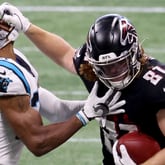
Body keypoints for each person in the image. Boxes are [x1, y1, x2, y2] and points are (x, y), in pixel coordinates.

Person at [1, 3, 165, 165]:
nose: (113, 71)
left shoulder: (154, 86)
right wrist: (28, 27)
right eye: (105, 67)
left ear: (134, 53)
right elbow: (65, 55)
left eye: (119, 63)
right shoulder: (94, 71)